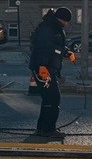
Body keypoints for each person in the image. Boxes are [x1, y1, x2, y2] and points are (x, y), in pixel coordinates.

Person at [29, 7, 75, 139]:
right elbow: (42, 48)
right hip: (44, 69)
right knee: (54, 98)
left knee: (48, 99)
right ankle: (48, 130)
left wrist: (66, 52)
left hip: (48, 68)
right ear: (61, 18)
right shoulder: (48, 28)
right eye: (66, 21)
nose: (67, 24)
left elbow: (55, 46)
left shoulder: (54, 26)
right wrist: (42, 66)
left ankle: (42, 128)